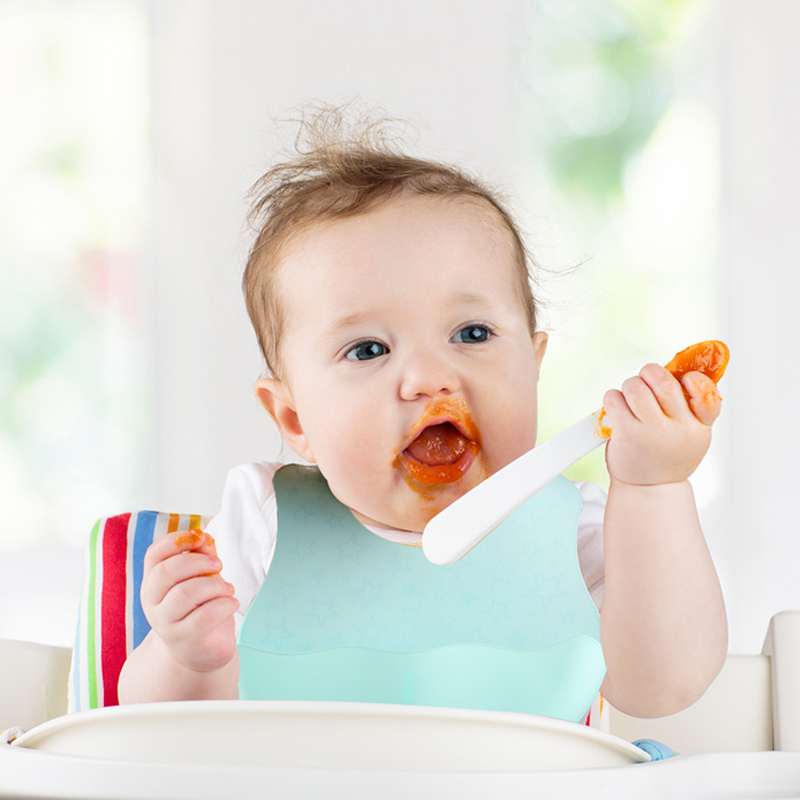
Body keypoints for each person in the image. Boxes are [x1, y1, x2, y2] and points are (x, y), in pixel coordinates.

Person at [118, 112, 727, 720]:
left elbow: (661, 687)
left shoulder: (576, 531)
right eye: (368, 350)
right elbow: (158, 732)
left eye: (472, 332)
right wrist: (188, 656)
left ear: (533, 366)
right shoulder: (265, 521)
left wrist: (653, 489)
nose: (431, 377)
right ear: (294, 419)